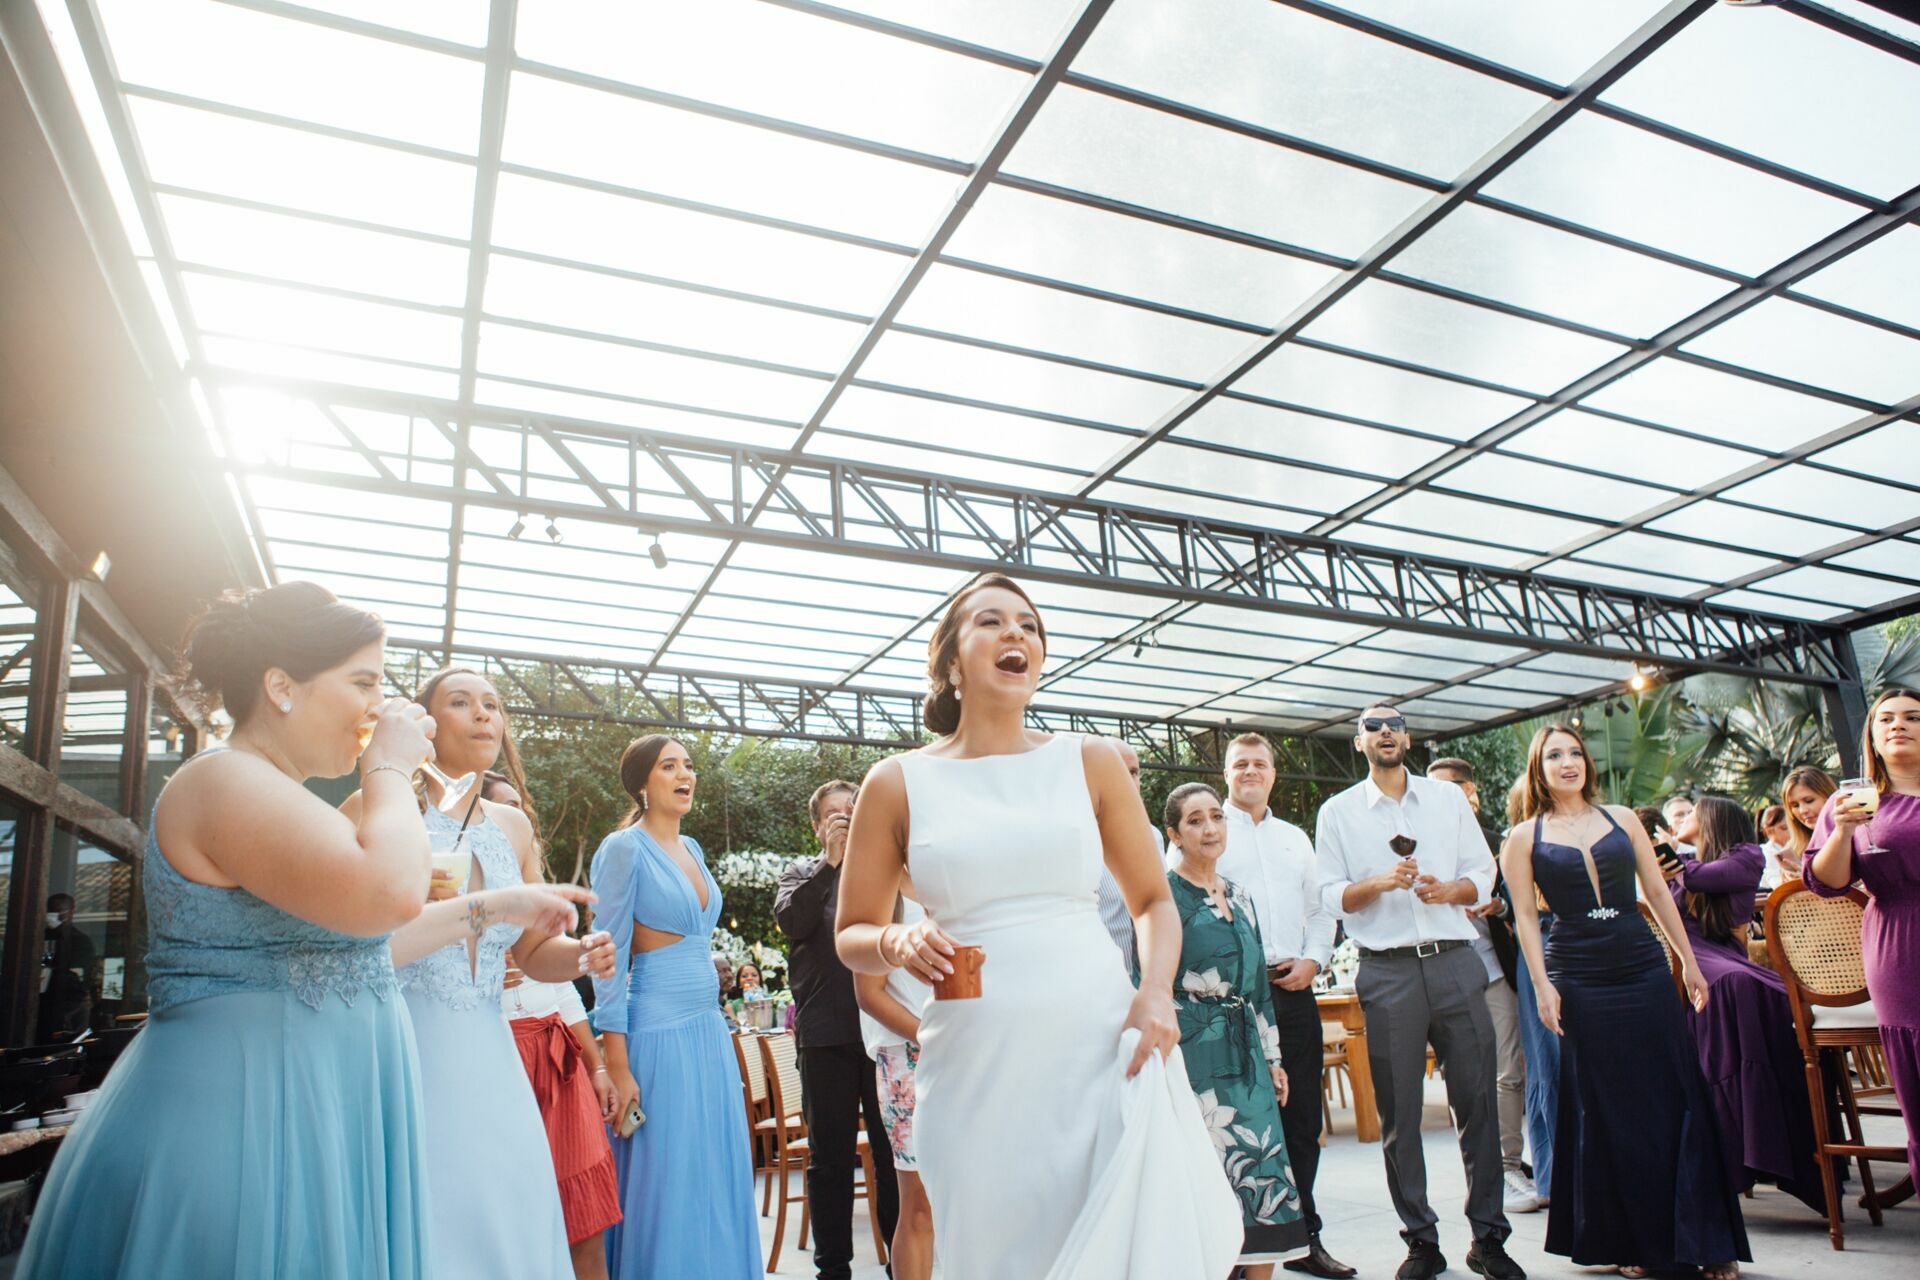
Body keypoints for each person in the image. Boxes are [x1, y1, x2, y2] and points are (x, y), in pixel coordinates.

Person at [19, 582, 434, 1277]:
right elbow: (390, 891)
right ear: (281, 685)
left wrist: (503, 908)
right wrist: (389, 766)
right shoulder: (223, 781)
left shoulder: (276, 794)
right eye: (364, 680)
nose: (377, 705)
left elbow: (370, 942)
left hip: (310, 1127)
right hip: (242, 1135)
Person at [835, 572, 1241, 1280]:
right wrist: (895, 939)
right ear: (952, 662)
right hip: (973, 1059)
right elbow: (853, 934)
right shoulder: (896, 782)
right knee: (996, 1252)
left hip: (1098, 1045)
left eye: (1029, 624)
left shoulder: (1088, 761)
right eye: (991, 622)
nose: (1016, 633)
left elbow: (1152, 901)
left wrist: (1154, 991)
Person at [366, 668, 615, 1279]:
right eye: (461, 702)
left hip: (492, 1053)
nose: (483, 715)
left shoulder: (514, 827)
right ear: (427, 725)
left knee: (509, 1208)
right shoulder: (381, 805)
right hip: (412, 1048)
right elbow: (361, 937)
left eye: (493, 705)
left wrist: (581, 955)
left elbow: (531, 953)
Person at [1500, 723, 1747, 1280]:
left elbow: (1656, 892)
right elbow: (1523, 919)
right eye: (1554, 755)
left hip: (1640, 964)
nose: (1568, 763)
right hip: (1578, 973)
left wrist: (1688, 961)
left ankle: (1705, 1239)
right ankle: (1631, 1239)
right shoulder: (1522, 837)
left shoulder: (1623, 818)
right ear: (1538, 770)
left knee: (1673, 1091)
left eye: (1575, 754)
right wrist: (1543, 986)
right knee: (1606, 1104)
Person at [1314, 705, 1521, 1280]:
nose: (1386, 730)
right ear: (1360, 742)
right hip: (1387, 971)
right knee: (1400, 1113)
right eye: (1374, 724)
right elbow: (1330, 895)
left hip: (1457, 963)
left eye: (1395, 723)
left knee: (1477, 1103)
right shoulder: (1338, 812)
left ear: (1406, 738)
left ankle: (1489, 1240)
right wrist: (1379, 882)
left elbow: (1483, 872)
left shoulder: (1447, 800)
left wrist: (1453, 890)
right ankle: (1421, 1242)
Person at [590, 734, 761, 1280]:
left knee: (715, 1172)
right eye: (669, 766)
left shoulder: (694, 850)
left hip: (709, 1032)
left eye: (688, 765)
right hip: (656, 1033)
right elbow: (607, 961)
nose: (685, 774)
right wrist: (617, 1066)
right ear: (643, 783)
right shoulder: (622, 849)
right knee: (671, 1178)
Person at [1160, 781, 1310, 1276]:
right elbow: (1149, 981)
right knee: (1211, 1183)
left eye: (1216, 817)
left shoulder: (1240, 895)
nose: (1209, 828)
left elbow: (1259, 989)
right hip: (1191, 1057)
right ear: (1174, 834)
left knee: (1264, 1172)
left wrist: (1273, 1059)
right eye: (1195, 820)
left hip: (1247, 1058)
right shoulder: (1162, 896)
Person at [1216, 732, 1350, 1278]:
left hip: (1293, 990)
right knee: (1236, 1125)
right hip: (1229, 1001)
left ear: (1273, 773)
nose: (1251, 771)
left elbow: (1322, 911)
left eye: (1260, 764)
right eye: (1240, 764)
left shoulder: (1296, 838)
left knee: (1300, 1121)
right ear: (1226, 773)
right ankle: (1231, 1245)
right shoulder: (1204, 828)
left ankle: (1301, 1240)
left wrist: (1315, 961)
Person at [1667, 797, 1823, 1213]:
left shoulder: (1745, 855)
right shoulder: (1683, 865)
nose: (1684, 820)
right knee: (1739, 987)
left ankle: (1775, 1138)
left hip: (1723, 953)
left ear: (1713, 820)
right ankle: (1736, 1142)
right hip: (1688, 956)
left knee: (1764, 990)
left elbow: (1701, 878)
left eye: (1691, 813)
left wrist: (1670, 859)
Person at [776, 780, 901, 1280]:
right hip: (825, 1033)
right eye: (835, 813)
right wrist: (830, 863)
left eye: (854, 810)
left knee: (894, 1157)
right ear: (816, 825)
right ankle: (832, 1270)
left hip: (884, 1030)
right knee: (828, 1159)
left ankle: (901, 1262)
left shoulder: (887, 872)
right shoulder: (801, 873)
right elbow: (791, 922)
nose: (847, 818)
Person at [1804, 687, 1920, 1182]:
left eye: (1913, 717)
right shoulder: (1851, 801)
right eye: (1886, 718)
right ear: (1871, 734)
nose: (1899, 725)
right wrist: (1842, 832)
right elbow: (1826, 883)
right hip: (1902, 940)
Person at [1427, 757, 1537, 1216]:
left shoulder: (1501, 844)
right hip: (1439, 973)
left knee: (1508, 1072)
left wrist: (1502, 910)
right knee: (1465, 1078)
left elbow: (1528, 904)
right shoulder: (1414, 846)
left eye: (1448, 788)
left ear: (1470, 791)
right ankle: (1484, 1167)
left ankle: (1508, 1163)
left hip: (1494, 971)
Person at [503, 955, 624, 1280]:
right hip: (495, 1058)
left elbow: (563, 989)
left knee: (585, 1223)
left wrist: (596, 1067)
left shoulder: (546, 907)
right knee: (514, 1227)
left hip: (559, 1056)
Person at [853, 889, 935, 1280]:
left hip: (975, 1049)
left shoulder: (955, 866)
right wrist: (933, 1038)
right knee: (919, 1206)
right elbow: (869, 993)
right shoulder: (881, 886)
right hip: (907, 1055)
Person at [1502, 775, 1557, 1212]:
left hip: (1582, 948)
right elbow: (1514, 910)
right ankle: (1554, 1175)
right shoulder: (1516, 845)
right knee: (1547, 1065)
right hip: (1539, 950)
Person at [1093, 739, 1152, 973]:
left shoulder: (1153, 836)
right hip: (1101, 980)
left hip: (1151, 985)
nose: (1129, 780)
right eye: (1117, 770)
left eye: (1134, 772)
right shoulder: (1073, 842)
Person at [38, 891, 96, 1037]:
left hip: (66, 1006)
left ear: (71, 912)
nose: (53, 916)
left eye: (58, 911)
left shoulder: (80, 941)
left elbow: (78, 976)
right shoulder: (38, 938)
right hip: (39, 1005)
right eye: (50, 911)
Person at [1781, 766, 1838, 861]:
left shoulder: (1856, 834)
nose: (1802, 810)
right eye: (1795, 805)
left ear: (1828, 796)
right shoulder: (1792, 850)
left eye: (1809, 801)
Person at [1756, 804, 1799, 892]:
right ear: (1768, 830)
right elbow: (1776, 883)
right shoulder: (1765, 852)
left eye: (1792, 827)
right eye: (1784, 828)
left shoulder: (1796, 847)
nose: (1790, 832)